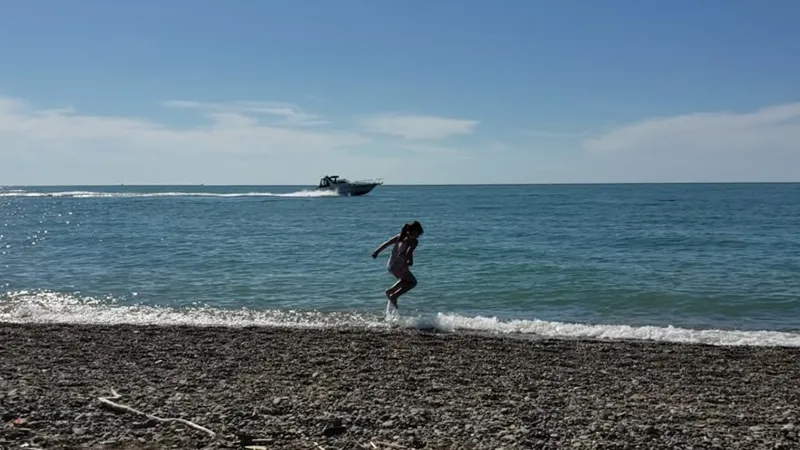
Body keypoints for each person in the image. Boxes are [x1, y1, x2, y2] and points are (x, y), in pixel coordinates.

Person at [371, 221, 424, 309]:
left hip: (391, 265)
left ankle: (390, 291)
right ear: (415, 231)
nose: (419, 235)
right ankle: (394, 295)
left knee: (405, 280)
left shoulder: (400, 236)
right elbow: (409, 253)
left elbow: (386, 244)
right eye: (418, 233)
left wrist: (376, 252)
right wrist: (410, 262)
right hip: (400, 266)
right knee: (413, 282)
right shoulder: (414, 241)